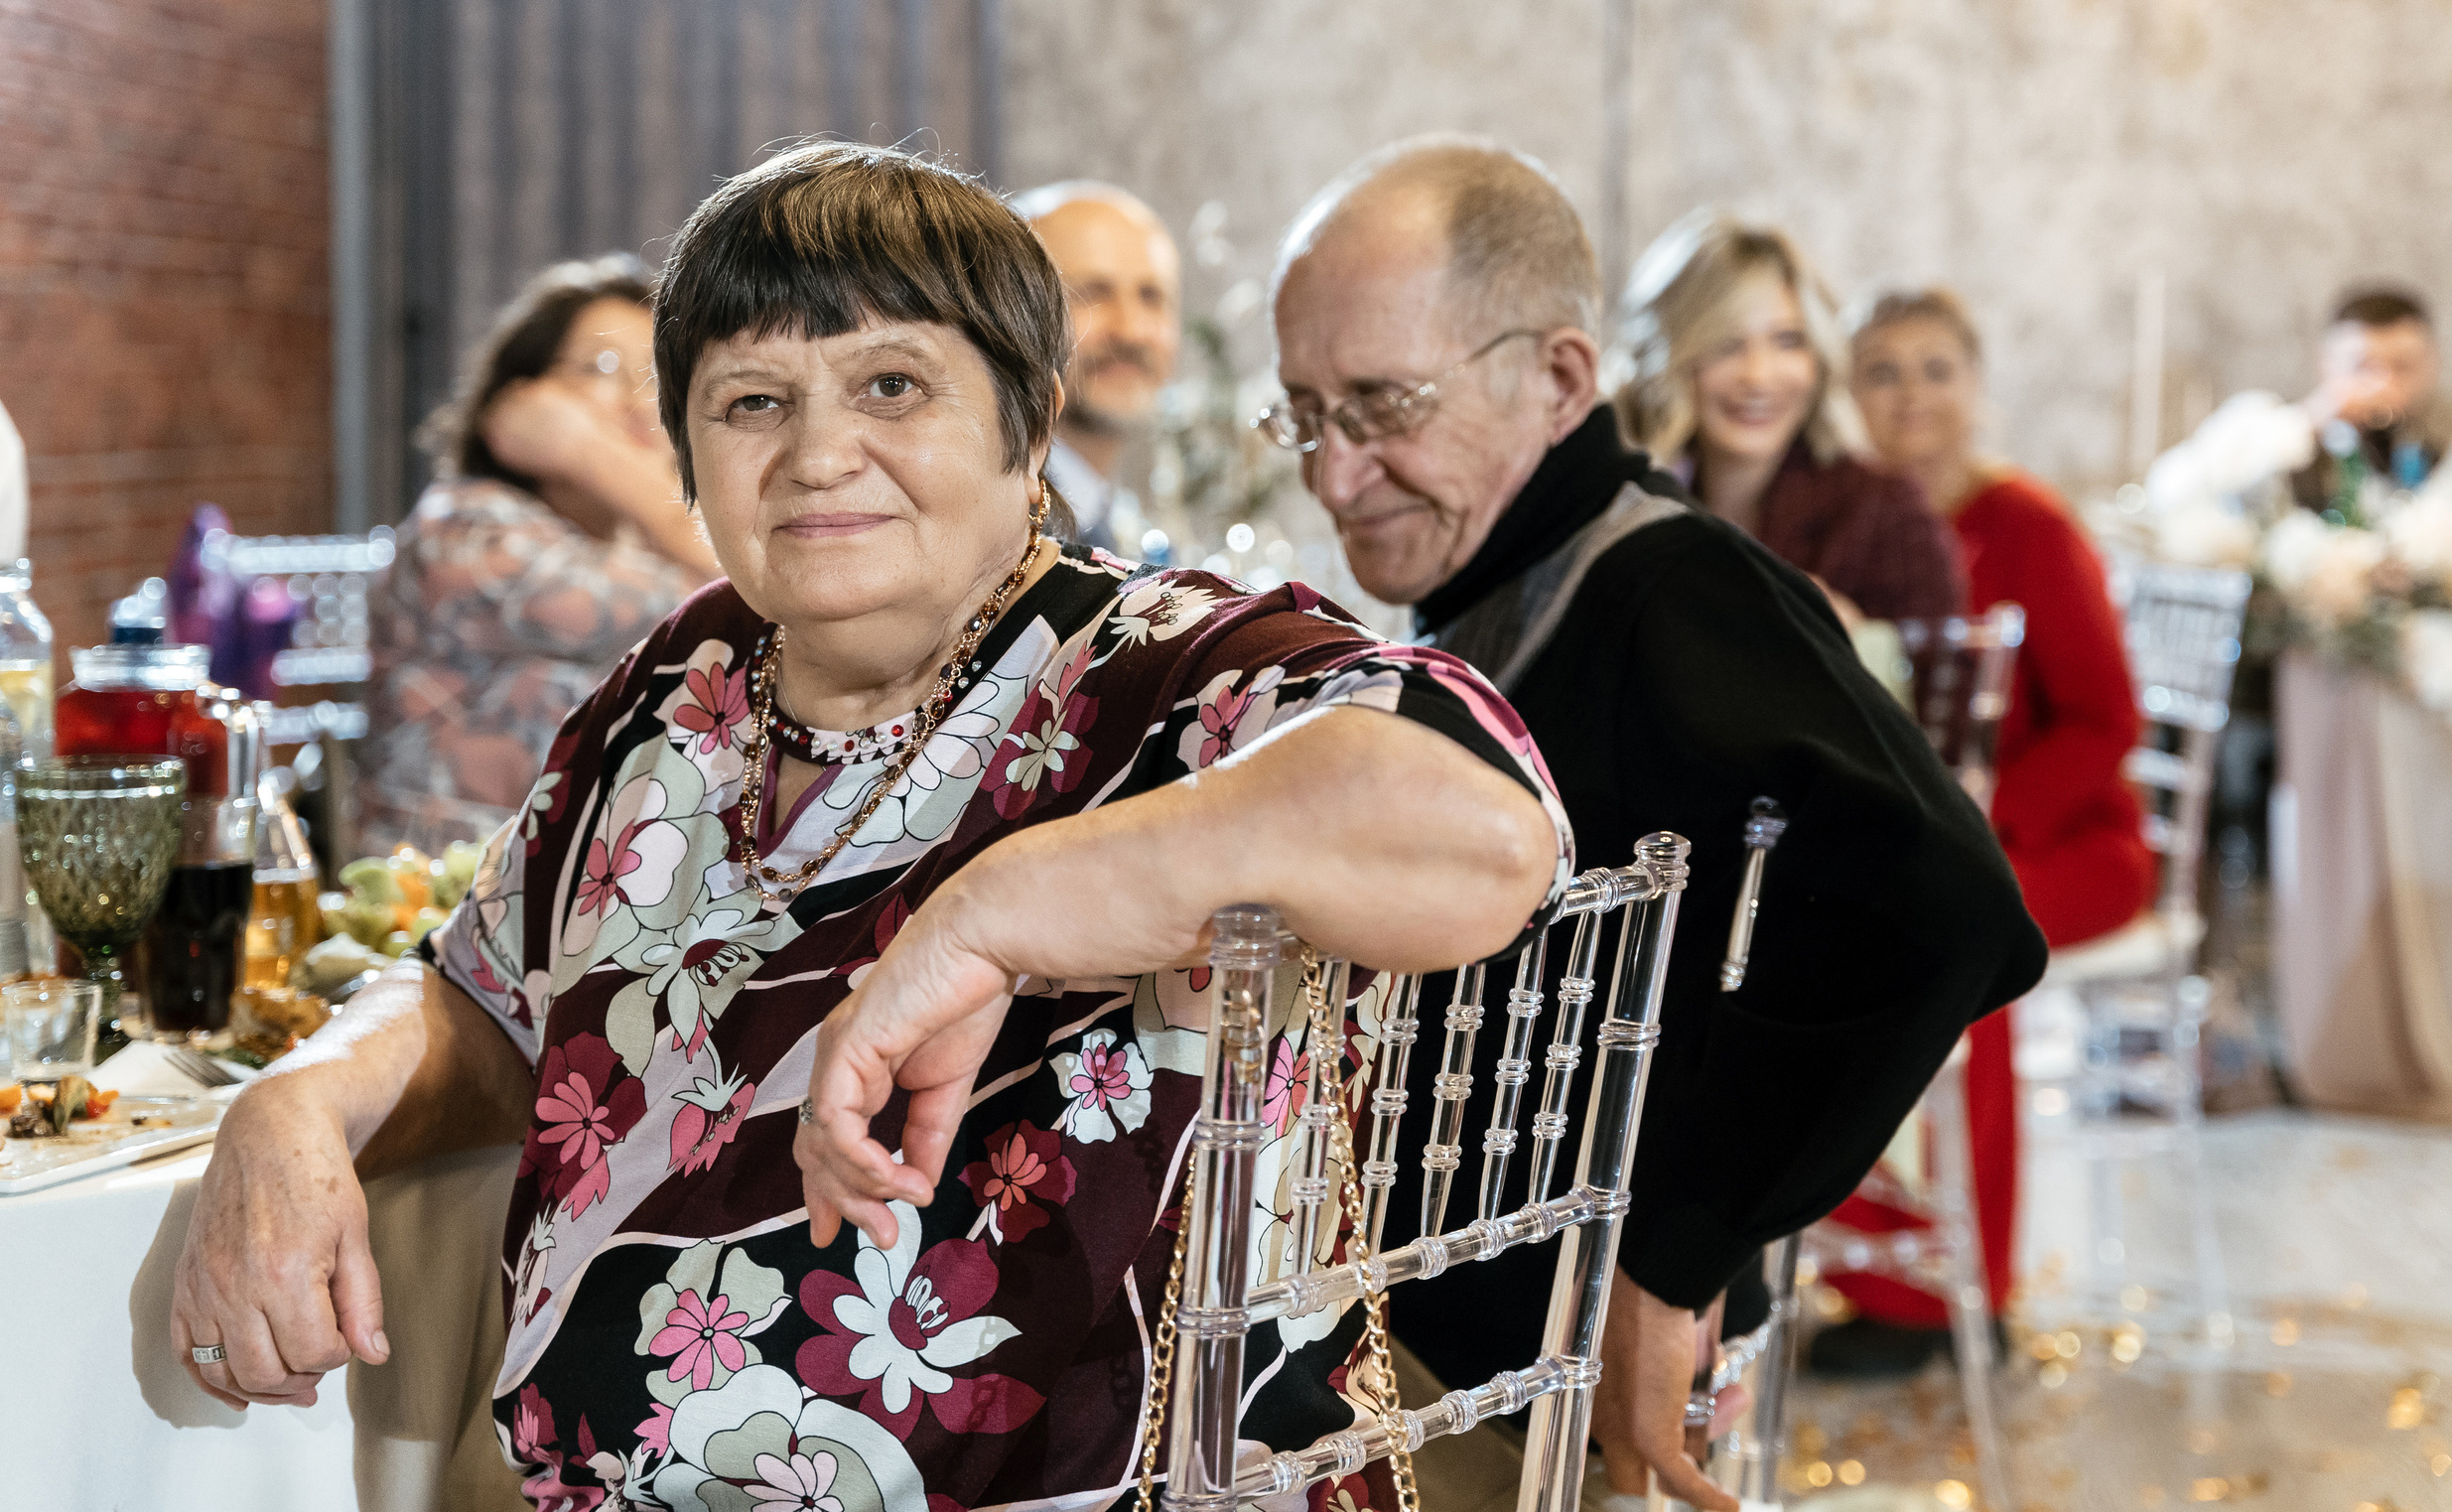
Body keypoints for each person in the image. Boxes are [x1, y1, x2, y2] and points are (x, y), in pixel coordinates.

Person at [173, 142, 1570, 1510]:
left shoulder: (1155, 666)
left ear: (1031, 428)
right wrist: (300, 1096)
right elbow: (486, 1000)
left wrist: (997, 908)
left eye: (891, 384)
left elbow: (1480, 822)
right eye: (752, 400)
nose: (818, 451)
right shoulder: (682, 683)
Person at [1264, 137, 2046, 1509]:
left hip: (1529, 1371)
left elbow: (1950, 911)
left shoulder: (1671, 588)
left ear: (1561, 378)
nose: (1335, 477)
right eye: (1307, 414)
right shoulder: (1499, 560)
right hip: (1422, 1308)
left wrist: (1674, 1255)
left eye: (1385, 407)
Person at [1828, 286, 2155, 1374]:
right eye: (1882, 371)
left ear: (1974, 385)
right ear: (1851, 391)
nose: (1909, 395)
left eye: (1933, 369)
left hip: (2064, 838)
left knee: (1966, 938)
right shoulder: (1852, 528)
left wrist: (1987, 822)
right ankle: (1868, 1267)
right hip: (1926, 831)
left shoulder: (2027, 526)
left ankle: (1967, 1291)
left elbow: (2107, 721)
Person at [361, 257, 720, 852]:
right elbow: (749, 594)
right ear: (522, 393)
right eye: (601, 368)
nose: (637, 403)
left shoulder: (630, 545)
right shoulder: (466, 532)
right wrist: (586, 452)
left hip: (578, 908)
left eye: (657, 379)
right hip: (432, 910)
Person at [1612, 211, 1964, 624]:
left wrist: (1860, 647)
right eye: (1727, 344)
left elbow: (1945, 681)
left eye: (1787, 341)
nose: (1758, 377)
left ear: (1820, 356)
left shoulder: (1887, 515)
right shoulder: (1626, 507)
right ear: (1674, 356)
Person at [1012, 180, 1182, 557]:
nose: (1132, 331)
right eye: (1091, 294)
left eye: (1151, 297)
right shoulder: (1003, 535)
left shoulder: (1107, 520)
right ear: (1011, 319)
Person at [2289, 286, 2452, 516]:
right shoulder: (2277, 432)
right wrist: (2310, 421)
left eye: (2402, 366)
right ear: (2325, 363)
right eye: (2361, 367)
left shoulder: (2446, 429)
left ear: (2433, 363)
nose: (2383, 384)